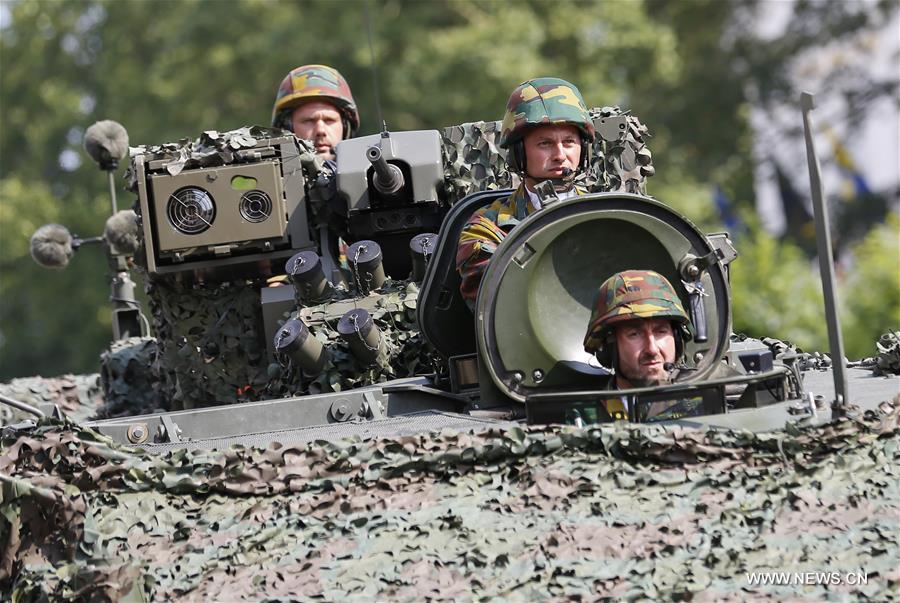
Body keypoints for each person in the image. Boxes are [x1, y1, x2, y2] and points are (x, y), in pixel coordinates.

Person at [456, 77, 595, 307]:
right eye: (545, 144)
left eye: (569, 142)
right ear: (519, 153)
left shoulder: (608, 212)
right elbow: (497, 309)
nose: (560, 154)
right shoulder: (487, 228)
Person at [583, 270, 694, 390]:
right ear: (608, 348)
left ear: (677, 337)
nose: (652, 350)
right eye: (634, 334)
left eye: (661, 332)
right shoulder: (582, 408)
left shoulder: (708, 401)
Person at [271, 64, 360, 160]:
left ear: (345, 127)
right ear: (287, 129)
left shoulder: (373, 172)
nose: (320, 130)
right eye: (309, 121)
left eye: (329, 120)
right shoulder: (267, 174)